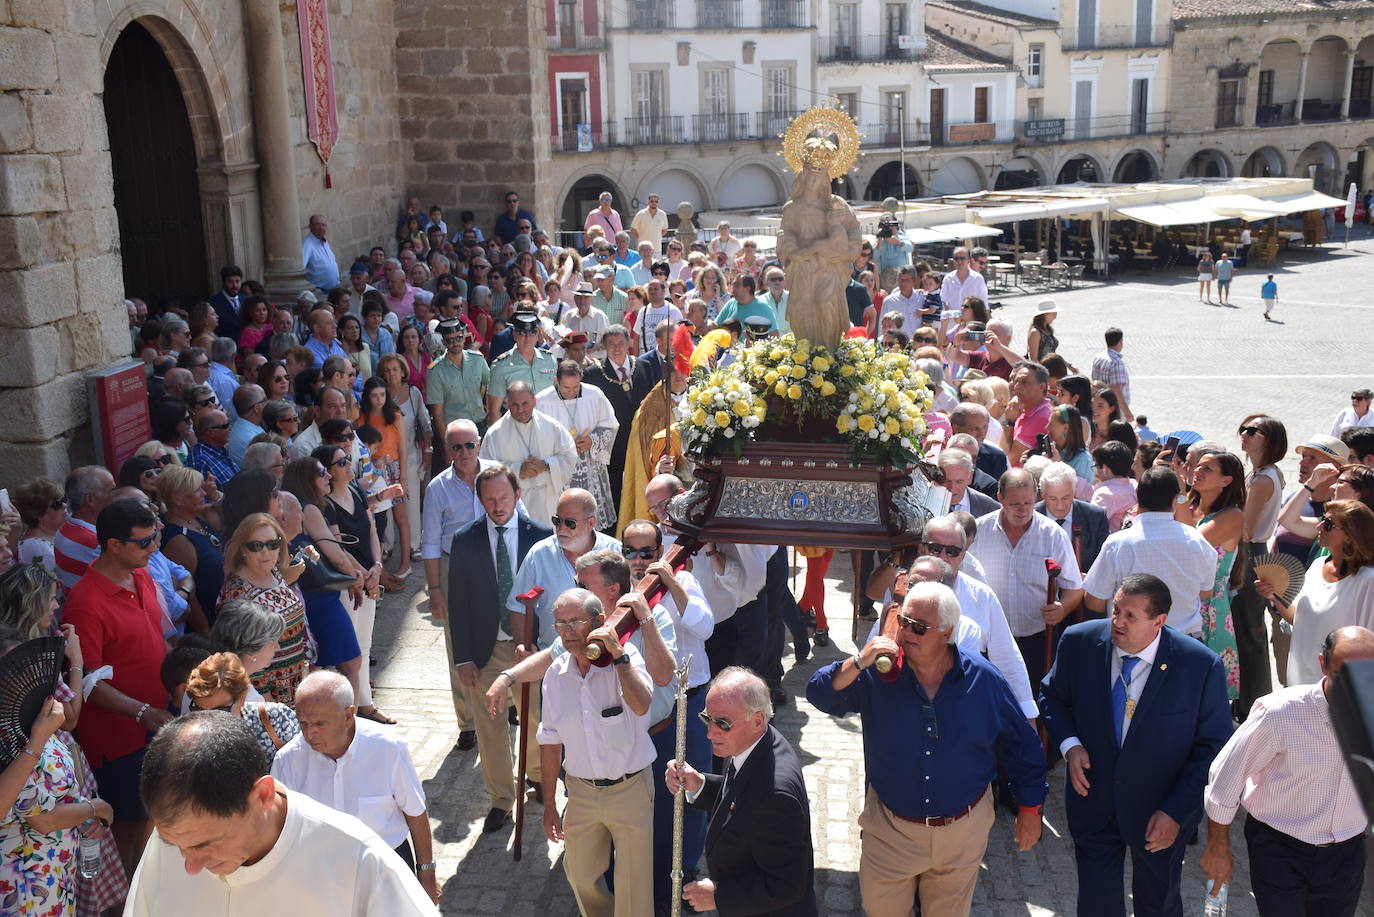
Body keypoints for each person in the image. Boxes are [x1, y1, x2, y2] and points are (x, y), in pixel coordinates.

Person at [807, 581, 1045, 915]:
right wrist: (861, 660)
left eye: (919, 626)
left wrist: (1030, 809)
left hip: (962, 831)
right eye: (903, 621)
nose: (906, 632)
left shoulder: (983, 680)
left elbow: (1022, 746)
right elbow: (820, 694)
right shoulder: (878, 672)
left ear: (947, 632)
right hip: (890, 829)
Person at [1039, 573, 1232, 917]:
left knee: (1157, 905)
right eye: (1115, 610)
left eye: (1130, 616)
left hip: (1160, 812)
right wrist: (1070, 745)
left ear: (1159, 621)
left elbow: (1213, 747)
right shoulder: (1079, 642)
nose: (1117, 622)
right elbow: (1052, 697)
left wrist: (1175, 811)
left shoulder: (1198, 666)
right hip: (1094, 803)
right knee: (1097, 906)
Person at [124, 711, 438, 915]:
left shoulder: (359, 862)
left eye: (206, 844)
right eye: (175, 844)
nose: (189, 866)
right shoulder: (172, 842)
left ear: (262, 796)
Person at [1200, 625, 1374, 917]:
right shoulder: (1279, 713)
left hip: (1347, 853)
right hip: (1280, 850)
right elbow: (1225, 780)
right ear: (1323, 664)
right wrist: (1218, 849)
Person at [0, 568, 127, 915]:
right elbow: (41, 817)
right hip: (24, 884)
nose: (57, 604)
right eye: (52, 597)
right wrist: (97, 808)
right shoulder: (14, 733)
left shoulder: (27, 718)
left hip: (48, 875)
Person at [62, 498, 173, 875]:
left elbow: (158, 639)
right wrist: (143, 712)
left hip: (154, 722)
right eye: (145, 542)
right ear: (113, 545)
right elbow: (88, 682)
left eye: (154, 537)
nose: (154, 548)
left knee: (152, 817)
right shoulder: (85, 603)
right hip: (120, 739)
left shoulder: (141, 575)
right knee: (126, 826)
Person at [535, 587, 655, 917]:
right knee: (580, 875)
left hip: (630, 788)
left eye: (575, 621)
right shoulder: (555, 675)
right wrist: (548, 805)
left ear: (599, 621)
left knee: (634, 884)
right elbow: (549, 741)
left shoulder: (626, 657)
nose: (567, 631)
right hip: (581, 793)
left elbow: (643, 704)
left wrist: (619, 657)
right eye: (559, 623)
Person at [270, 672, 440, 903]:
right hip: (320, 873)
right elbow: (278, 829)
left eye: (320, 723)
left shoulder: (388, 749)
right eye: (303, 723)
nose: (310, 734)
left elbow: (415, 813)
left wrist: (426, 874)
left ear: (349, 715)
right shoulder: (287, 761)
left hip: (386, 866)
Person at [441, 464, 549, 827]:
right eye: (489, 499)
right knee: (490, 727)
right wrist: (464, 659)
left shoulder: (540, 536)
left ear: (518, 495)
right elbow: (458, 605)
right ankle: (502, 797)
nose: (497, 505)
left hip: (528, 648)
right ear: (480, 500)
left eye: (504, 497)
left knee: (536, 718)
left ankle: (536, 773)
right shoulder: (465, 539)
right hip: (485, 650)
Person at [665, 667, 817, 916]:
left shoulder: (777, 796)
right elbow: (744, 800)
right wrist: (700, 784)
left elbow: (788, 885)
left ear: (757, 719)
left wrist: (718, 897)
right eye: (707, 719)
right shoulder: (757, 741)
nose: (710, 732)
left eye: (722, 723)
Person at [969, 468, 1083, 690]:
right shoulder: (979, 531)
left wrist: (1062, 608)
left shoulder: (1052, 534)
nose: (1023, 510)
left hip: (1038, 642)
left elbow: (1075, 588)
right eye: (1014, 504)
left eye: (1028, 503)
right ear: (1000, 498)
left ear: (1036, 497)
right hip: (989, 644)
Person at [1082, 467, 1216, 640]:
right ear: (1175, 500)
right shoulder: (1198, 541)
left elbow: (1094, 601)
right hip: (1184, 643)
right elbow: (1205, 592)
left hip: (1130, 642)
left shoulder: (1118, 543)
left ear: (1137, 496)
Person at [1266, 499, 1374, 686]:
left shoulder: (1368, 581)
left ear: (1350, 535)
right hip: (1299, 686)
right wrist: (1274, 594)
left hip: (1338, 694)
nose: (1319, 526)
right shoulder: (1318, 565)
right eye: (1323, 519)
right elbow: (1296, 618)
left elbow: (1368, 648)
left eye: (1329, 524)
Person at [217, 513, 310, 705]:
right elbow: (242, 655)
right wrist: (265, 702)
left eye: (272, 544)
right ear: (243, 549)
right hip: (266, 696)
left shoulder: (274, 573)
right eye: (256, 546)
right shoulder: (237, 594)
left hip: (296, 681)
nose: (266, 552)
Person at [1175, 451, 1246, 699]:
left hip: (1210, 609)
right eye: (1198, 466)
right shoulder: (1189, 506)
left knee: (1206, 690)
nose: (1197, 471)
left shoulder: (1233, 515)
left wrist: (1179, 488)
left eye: (1207, 469)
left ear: (1226, 480)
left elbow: (1190, 542)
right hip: (1182, 599)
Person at [1232, 413, 1287, 711]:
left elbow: (1246, 528)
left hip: (1249, 552)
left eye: (1253, 431)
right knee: (1250, 628)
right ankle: (1251, 699)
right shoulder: (1267, 473)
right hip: (1256, 551)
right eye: (1244, 429)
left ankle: (1251, 702)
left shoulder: (1262, 478)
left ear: (1270, 439)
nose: (1245, 434)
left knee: (1247, 629)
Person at [535, 360, 620, 532]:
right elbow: (535, 438)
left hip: (589, 468)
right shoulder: (542, 401)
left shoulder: (594, 395)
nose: (572, 392)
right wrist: (564, 447)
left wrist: (592, 440)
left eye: (576, 387)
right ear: (556, 381)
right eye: (566, 388)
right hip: (560, 470)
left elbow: (610, 424)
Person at [480, 380, 576, 526]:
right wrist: (518, 470)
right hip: (515, 504)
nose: (520, 410)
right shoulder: (495, 434)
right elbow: (486, 470)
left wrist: (546, 465)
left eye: (525, 404)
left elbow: (569, 455)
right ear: (507, 403)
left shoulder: (552, 426)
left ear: (534, 401)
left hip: (548, 502)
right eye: (515, 405)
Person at [185, 652, 299, 765]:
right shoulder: (186, 737)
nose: (208, 720)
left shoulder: (277, 719)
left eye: (220, 710)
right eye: (199, 710)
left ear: (242, 700)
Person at [157, 465, 226, 627]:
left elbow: (229, 512)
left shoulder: (197, 516)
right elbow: (189, 596)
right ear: (177, 499)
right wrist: (205, 632)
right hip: (210, 624)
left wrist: (214, 494)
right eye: (197, 490)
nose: (203, 493)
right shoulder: (178, 541)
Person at [582, 325, 638, 515]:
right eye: (611, 344)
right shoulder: (593, 373)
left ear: (629, 343)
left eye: (621, 343)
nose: (616, 348)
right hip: (611, 445)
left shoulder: (642, 366)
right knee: (614, 489)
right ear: (604, 346)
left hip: (639, 443)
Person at [1036, 461, 1110, 573]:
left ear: (1074, 492)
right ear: (1043, 494)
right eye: (1053, 499)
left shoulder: (1095, 518)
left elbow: (1104, 564)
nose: (1060, 506)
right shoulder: (1030, 518)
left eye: (1065, 498)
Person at [54, 466, 115, 592]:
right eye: (111, 491)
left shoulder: (65, 526)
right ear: (90, 499)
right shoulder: (96, 543)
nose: (116, 496)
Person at [13, 476, 67, 574]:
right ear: (37, 513)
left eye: (64, 500)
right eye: (57, 504)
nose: (64, 506)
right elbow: (54, 586)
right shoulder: (36, 547)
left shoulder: (50, 537)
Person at [1089, 441, 1138, 532]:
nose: (1094, 469)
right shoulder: (1135, 485)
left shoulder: (1104, 494)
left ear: (1105, 469)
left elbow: (1091, 525)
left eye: (1096, 465)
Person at [1089, 328, 1134, 424]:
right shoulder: (1116, 362)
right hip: (1114, 408)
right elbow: (1116, 389)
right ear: (1120, 341)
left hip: (1099, 404)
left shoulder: (1099, 357)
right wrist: (1127, 412)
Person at [301, 214, 339, 292]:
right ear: (310, 227)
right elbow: (301, 268)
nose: (321, 228)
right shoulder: (307, 244)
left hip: (333, 290)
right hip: (320, 292)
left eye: (323, 225)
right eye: (317, 225)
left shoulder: (324, 242)